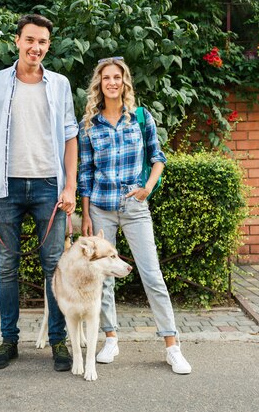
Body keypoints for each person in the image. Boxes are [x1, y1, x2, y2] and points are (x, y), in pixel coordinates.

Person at [0, 14, 78, 371]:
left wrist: (70, 186)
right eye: (30, 40)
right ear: (17, 40)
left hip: (49, 186)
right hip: (5, 186)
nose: (36, 47)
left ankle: (59, 343)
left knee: (54, 267)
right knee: (6, 267)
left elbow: (70, 137)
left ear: (49, 45)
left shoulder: (60, 85)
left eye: (43, 42)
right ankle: (8, 341)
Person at [77, 57, 192, 374]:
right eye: (106, 78)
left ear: (124, 82)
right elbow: (85, 173)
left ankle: (172, 346)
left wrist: (147, 189)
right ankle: (110, 338)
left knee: (152, 275)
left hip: (134, 208)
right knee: (103, 279)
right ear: (99, 84)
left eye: (117, 77)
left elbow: (158, 158)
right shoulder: (89, 125)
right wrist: (85, 214)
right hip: (100, 206)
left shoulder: (141, 118)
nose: (111, 82)